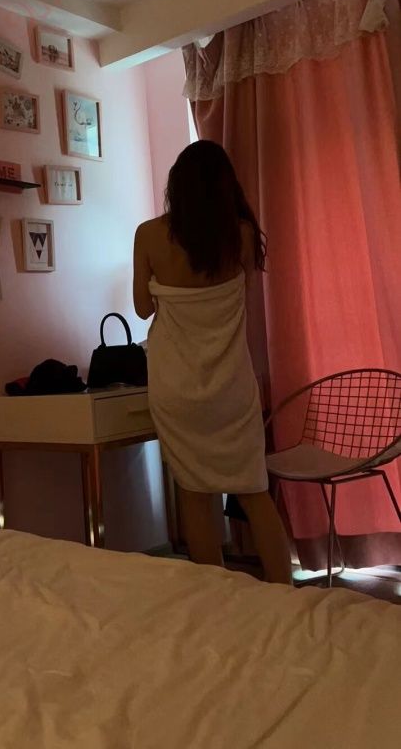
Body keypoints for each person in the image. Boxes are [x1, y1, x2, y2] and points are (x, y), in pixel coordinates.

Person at [133, 140, 291, 584]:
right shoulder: (240, 236)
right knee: (254, 490)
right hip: (230, 387)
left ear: (176, 185)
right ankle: (285, 592)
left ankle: (214, 600)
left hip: (175, 388)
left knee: (194, 491)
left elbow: (142, 308)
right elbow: (242, 298)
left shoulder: (148, 234)